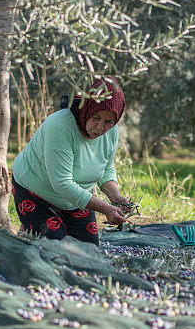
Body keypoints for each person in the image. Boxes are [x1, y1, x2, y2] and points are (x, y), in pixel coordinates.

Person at [10, 77, 129, 245]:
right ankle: (29, 233)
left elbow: (106, 169)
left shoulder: (111, 131)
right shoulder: (61, 125)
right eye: (96, 118)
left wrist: (115, 198)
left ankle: (39, 231)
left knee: (88, 251)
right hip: (36, 191)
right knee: (55, 251)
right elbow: (62, 183)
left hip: (76, 198)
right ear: (88, 109)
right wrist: (105, 209)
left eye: (108, 122)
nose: (100, 127)